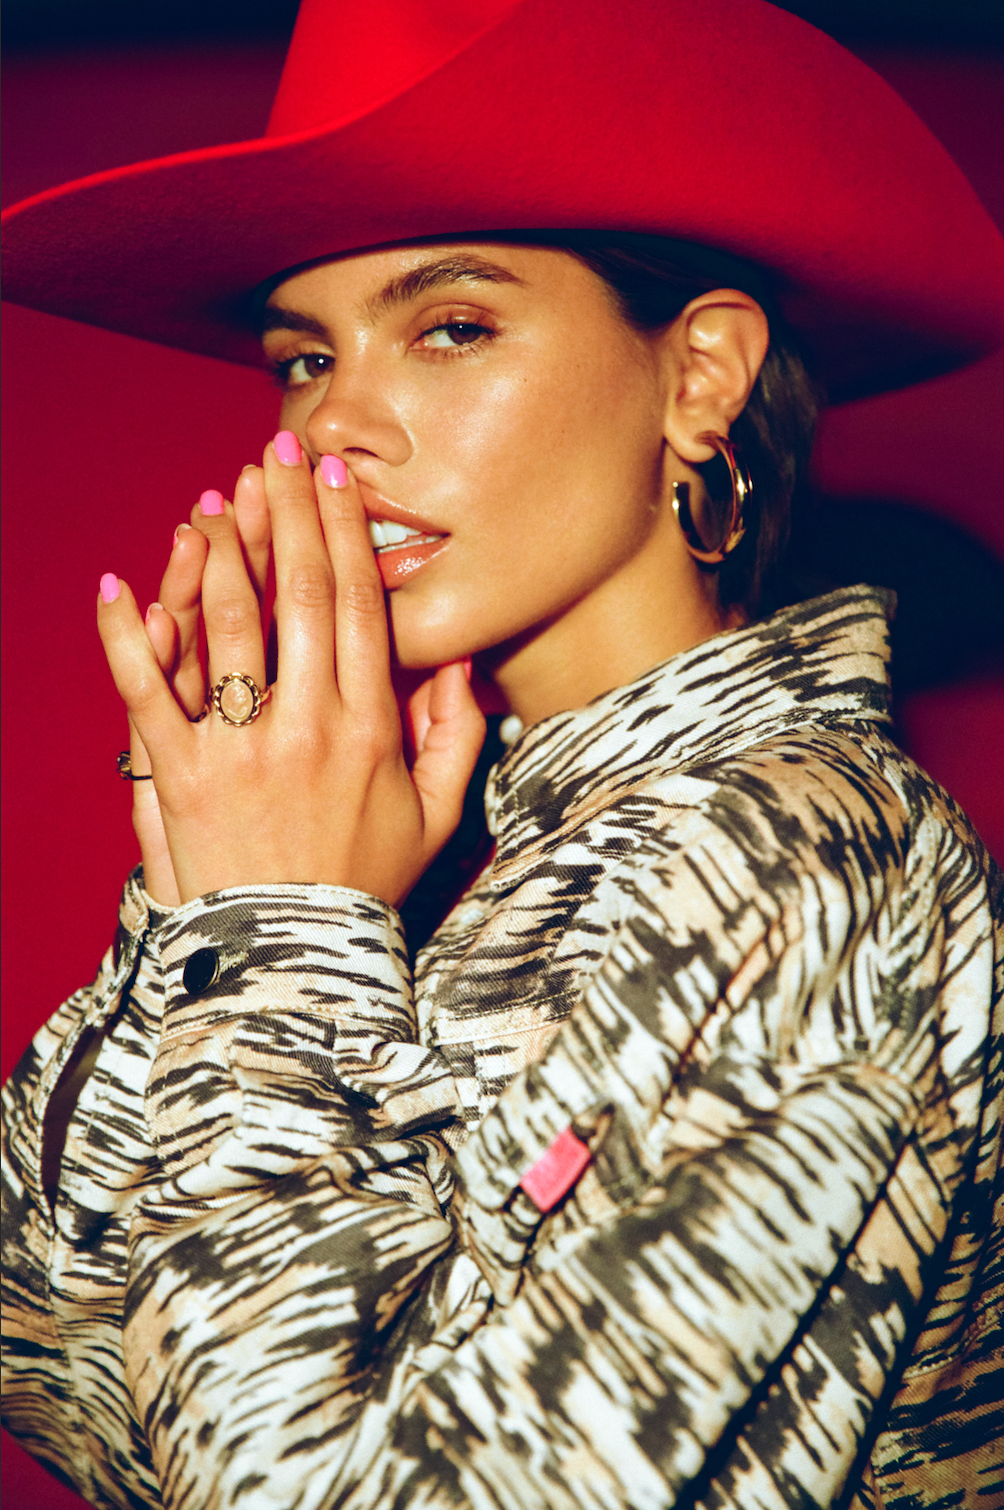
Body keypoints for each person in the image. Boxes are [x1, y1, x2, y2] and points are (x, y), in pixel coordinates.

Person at [2, 2, 1003, 1507]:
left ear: (701, 377)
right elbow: (61, 1363)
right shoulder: (436, 831)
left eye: (451, 325)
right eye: (302, 357)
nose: (335, 425)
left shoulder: (806, 852)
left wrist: (274, 921)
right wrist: (209, 890)